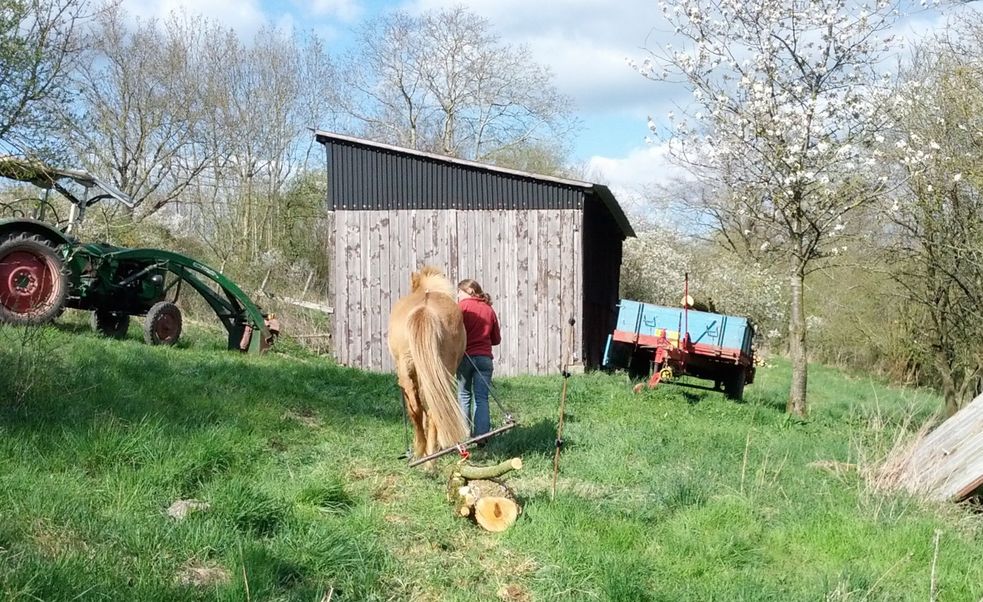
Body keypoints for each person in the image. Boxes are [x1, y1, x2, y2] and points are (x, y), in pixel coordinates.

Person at [456, 279, 501, 438]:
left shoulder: (460, 308)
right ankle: (482, 437)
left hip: (465, 357)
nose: (458, 296)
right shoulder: (489, 310)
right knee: (482, 398)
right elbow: (496, 339)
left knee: (464, 395)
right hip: (484, 360)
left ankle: (464, 435)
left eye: (459, 293)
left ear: (469, 291)